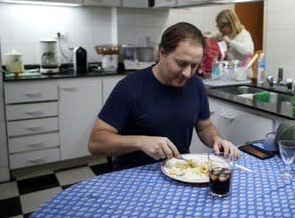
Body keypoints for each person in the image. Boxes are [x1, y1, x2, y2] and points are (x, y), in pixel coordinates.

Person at [88, 22, 240, 170]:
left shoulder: (196, 85)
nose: (187, 73)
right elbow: (95, 143)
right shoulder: (130, 87)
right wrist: (140, 141)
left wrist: (217, 140)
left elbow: (205, 127)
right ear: (162, 53)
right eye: (181, 63)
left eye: (194, 65)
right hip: (135, 175)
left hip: (180, 171)